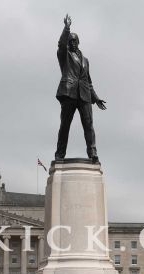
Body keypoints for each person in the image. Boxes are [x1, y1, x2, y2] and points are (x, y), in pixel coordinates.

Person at [55, 14, 107, 163]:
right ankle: (59, 154)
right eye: (70, 41)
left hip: (84, 95)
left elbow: (88, 81)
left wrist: (95, 98)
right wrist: (67, 28)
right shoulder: (64, 55)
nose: (72, 43)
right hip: (68, 93)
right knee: (65, 126)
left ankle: (93, 153)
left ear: (78, 42)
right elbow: (61, 44)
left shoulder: (85, 61)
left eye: (74, 41)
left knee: (89, 125)